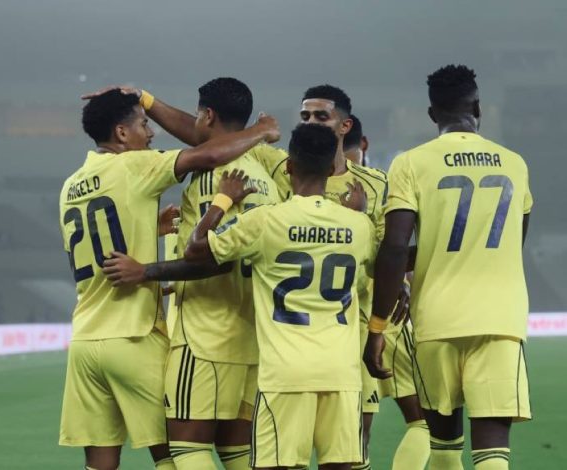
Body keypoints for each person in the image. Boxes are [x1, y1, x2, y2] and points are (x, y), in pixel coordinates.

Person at [59, 89, 279, 470]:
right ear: (122, 133)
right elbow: (207, 154)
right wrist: (261, 131)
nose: (151, 133)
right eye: (144, 125)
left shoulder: (71, 184)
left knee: (99, 462)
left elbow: (105, 234)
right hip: (134, 336)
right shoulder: (135, 166)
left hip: (84, 340)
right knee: (177, 453)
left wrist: (150, 227)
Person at [364, 64, 533, 470]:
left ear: (431, 114)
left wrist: (378, 327)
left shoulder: (411, 163)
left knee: (443, 444)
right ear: (478, 108)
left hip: (437, 319)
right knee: (493, 448)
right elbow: (515, 238)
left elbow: (394, 248)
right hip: (500, 318)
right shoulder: (515, 164)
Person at [184, 123, 375, 469]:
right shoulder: (359, 225)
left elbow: (195, 250)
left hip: (286, 373)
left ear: (288, 166)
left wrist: (223, 200)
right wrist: (356, 213)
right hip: (341, 371)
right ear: (330, 170)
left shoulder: (264, 220)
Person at [346, 114, 430, 470]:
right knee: (422, 420)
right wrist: (402, 283)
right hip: (384, 311)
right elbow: (394, 247)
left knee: (354, 434)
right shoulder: (385, 184)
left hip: (340, 317)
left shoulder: (308, 185)